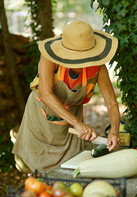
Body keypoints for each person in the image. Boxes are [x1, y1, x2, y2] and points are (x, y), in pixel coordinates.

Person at [12, 20, 122, 173]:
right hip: (41, 117)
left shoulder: (98, 68)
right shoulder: (50, 58)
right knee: (37, 168)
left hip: (72, 120)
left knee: (70, 168)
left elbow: (111, 103)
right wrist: (76, 123)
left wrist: (114, 131)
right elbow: (45, 94)